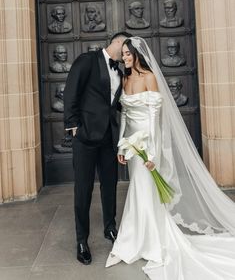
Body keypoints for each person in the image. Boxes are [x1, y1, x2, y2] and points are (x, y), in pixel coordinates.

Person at [106, 37, 235, 279]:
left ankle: (150, 240)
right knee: (137, 187)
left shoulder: (149, 78)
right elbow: (124, 116)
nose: (124, 58)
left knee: (145, 189)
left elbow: (155, 117)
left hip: (148, 142)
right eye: (122, 54)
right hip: (132, 145)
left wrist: (152, 153)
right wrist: (122, 146)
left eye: (127, 54)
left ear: (136, 54)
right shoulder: (124, 79)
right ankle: (135, 239)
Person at [63, 32, 132, 265]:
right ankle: (82, 240)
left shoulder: (120, 73)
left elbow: (116, 105)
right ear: (117, 42)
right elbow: (71, 91)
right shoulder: (87, 60)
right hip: (85, 137)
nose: (126, 53)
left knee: (110, 185)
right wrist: (73, 126)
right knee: (83, 189)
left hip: (108, 139)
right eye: (126, 46)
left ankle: (110, 227)